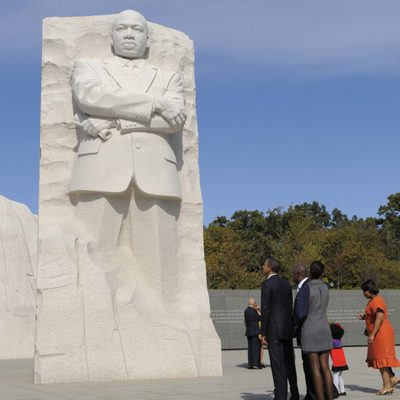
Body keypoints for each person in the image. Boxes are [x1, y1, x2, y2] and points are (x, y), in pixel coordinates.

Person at [69, 10, 187, 314]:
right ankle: (92, 318)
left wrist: (119, 120)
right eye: (122, 28)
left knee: (159, 261)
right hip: (99, 168)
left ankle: (162, 323)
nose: (130, 34)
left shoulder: (168, 76)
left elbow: (174, 122)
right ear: (111, 37)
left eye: (137, 29)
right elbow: (90, 98)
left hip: (156, 173)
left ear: (147, 39)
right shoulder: (88, 67)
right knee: (92, 251)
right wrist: (154, 105)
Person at [295, 261, 334, 400]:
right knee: (325, 367)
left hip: (310, 329)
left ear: (310, 271)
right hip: (324, 327)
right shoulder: (325, 287)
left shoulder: (307, 288)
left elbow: (300, 313)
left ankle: (320, 398)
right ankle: (329, 397)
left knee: (314, 368)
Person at [261, 257, 299, 400]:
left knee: (277, 366)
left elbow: (266, 309)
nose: (262, 267)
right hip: (287, 329)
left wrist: (263, 333)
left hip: (274, 330)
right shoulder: (286, 284)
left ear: (269, 267)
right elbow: (289, 307)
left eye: (264, 265)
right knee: (289, 363)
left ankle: (281, 396)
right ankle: (294, 393)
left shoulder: (266, 284)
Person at [357, 279, 400, 395]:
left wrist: (372, 334)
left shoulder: (377, 301)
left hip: (381, 334)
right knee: (381, 359)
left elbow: (379, 317)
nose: (363, 293)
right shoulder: (373, 300)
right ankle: (392, 379)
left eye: (365, 291)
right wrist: (365, 317)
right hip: (379, 333)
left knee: (382, 360)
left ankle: (387, 386)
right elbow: (373, 315)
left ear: (370, 290)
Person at [293, 264, 316, 400]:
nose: (292, 277)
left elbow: (301, 313)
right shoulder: (306, 286)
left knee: (310, 366)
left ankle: (313, 394)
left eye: (293, 274)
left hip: (307, 332)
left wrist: (295, 326)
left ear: (298, 274)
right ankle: (313, 392)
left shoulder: (306, 287)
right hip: (309, 333)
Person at [329, 323, 348, 396]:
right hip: (342, 361)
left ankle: (335, 390)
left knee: (335, 376)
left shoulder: (332, 341)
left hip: (337, 362)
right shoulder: (338, 340)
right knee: (339, 376)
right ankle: (343, 390)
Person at [244, 297, 262, 369]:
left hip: (249, 332)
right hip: (255, 331)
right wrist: (258, 310)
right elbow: (260, 318)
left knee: (250, 348)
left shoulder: (246, 311)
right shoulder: (253, 311)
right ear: (253, 303)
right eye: (254, 302)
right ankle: (255, 364)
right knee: (256, 348)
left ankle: (250, 364)